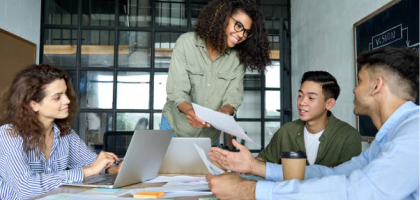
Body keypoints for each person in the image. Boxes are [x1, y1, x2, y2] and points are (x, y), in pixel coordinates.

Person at [207, 46, 419, 200]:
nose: (354, 89)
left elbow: (356, 192)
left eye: (359, 80)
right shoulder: (389, 138)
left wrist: (249, 191)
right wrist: (254, 166)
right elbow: (332, 174)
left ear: (376, 86)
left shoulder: (414, 133)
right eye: (301, 96)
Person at [0, 64, 122, 199]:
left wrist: (113, 168)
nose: (67, 100)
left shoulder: (65, 133)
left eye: (65, 93)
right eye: (57, 97)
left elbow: (90, 161)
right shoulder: (8, 135)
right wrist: (87, 171)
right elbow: (26, 187)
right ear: (34, 105)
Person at [160, 0, 270, 145]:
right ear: (222, 17)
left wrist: (224, 113)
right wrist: (190, 111)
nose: (240, 35)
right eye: (238, 25)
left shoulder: (238, 59)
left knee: (206, 169)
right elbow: (177, 91)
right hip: (174, 128)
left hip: (209, 137)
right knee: (169, 168)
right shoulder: (186, 43)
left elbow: (233, 99)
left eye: (246, 32)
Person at [258, 71, 361, 167]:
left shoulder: (348, 136)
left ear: (329, 104)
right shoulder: (286, 131)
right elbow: (262, 161)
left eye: (311, 98)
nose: (301, 102)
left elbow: (348, 180)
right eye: (300, 95)